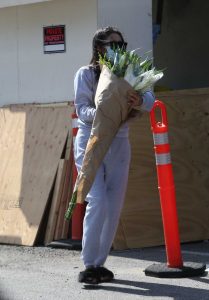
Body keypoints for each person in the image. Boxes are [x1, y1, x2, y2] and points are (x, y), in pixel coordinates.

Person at [74, 26, 155, 284]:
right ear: (99, 48)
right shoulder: (86, 74)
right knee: (97, 200)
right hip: (93, 140)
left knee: (114, 204)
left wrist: (137, 102)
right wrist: (107, 112)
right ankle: (88, 264)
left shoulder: (130, 73)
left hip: (120, 142)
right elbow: (82, 108)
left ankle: (100, 263)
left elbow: (150, 100)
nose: (119, 49)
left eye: (122, 44)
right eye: (113, 45)